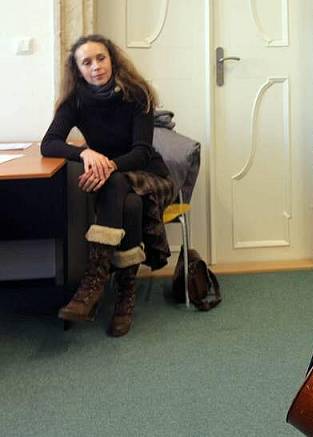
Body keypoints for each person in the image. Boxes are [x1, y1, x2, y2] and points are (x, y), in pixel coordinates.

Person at [41, 34, 175, 337]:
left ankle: (94, 282)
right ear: (78, 70)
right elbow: (49, 144)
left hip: (149, 176)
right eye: (86, 62)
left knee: (119, 186)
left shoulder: (137, 94)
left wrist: (109, 165)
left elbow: (142, 151)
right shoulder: (76, 100)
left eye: (100, 58)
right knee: (128, 203)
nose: (96, 67)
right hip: (115, 185)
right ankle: (124, 297)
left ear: (112, 59)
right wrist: (85, 153)